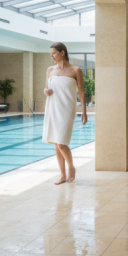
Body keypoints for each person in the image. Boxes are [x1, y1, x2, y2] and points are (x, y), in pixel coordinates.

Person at [43, 42, 87, 184]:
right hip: (53, 108)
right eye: (51, 54)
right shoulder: (50, 70)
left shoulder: (75, 70)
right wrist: (45, 91)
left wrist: (84, 112)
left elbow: (81, 92)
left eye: (54, 53)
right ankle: (62, 175)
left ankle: (71, 167)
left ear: (62, 53)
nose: (52, 56)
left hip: (67, 110)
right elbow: (46, 88)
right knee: (57, 143)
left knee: (61, 143)